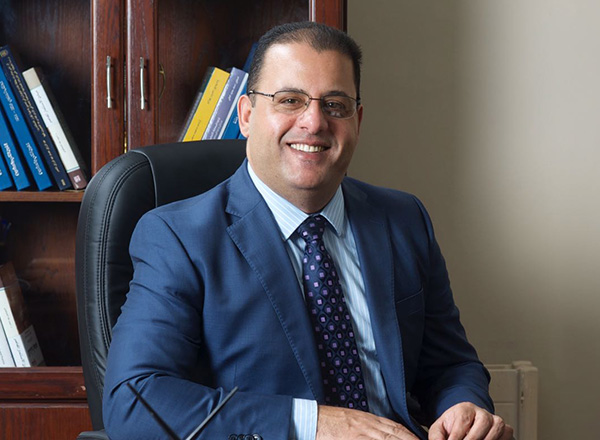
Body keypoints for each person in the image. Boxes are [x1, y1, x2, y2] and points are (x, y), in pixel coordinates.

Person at [103, 22, 513, 440]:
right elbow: (135, 401)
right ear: (246, 115)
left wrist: (464, 406)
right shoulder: (178, 237)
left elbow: (450, 364)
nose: (314, 122)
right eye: (289, 100)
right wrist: (313, 424)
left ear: (358, 119)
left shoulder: (403, 219)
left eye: (335, 105)